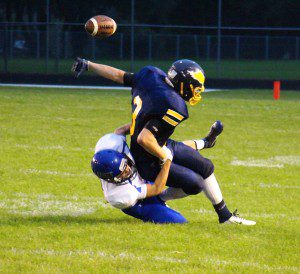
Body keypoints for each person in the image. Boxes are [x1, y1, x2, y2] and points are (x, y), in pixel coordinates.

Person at [73, 58, 256, 225]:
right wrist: (164, 156)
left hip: (158, 144)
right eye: (195, 87)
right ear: (184, 85)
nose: (197, 92)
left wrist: (89, 65)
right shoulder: (173, 104)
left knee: (206, 166)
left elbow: (119, 75)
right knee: (195, 183)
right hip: (149, 158)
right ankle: (159, 198)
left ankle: (225, 215)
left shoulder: (151, 75)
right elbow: (144, 138)